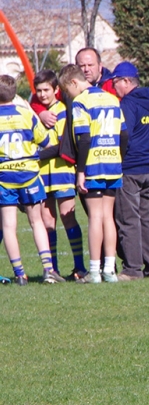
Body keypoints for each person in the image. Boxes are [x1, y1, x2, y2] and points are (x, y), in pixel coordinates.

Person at [58, 64, 127, 284]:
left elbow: (84, 139)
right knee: (109, 216)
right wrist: (119, 158)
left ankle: (94, 272)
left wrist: (80, 171)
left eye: (68, 92)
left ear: (73, 83)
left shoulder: (81, 102)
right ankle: (110, 270)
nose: (70, 96)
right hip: (113, 163)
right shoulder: (111, 98)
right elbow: (123, 136)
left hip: (94, 164)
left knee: (96, 216)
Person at [0, 75, 64, 285]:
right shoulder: (26, 113)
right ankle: (48, 270)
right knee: (36, 221)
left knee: (9, 226)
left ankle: (20, 274)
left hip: (4, 178)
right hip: (28, 175)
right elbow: (46, 141)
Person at [110, 62, 149, 281]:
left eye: (115, 83)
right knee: (146, 219)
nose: (114, 89)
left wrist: (118, 158)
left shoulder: (128, 104)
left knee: (129, 219)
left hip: (130, 168)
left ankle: (132, 270)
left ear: (126, 81)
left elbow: (125, 134)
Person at [34, 70, 88, 281]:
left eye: (46, 90)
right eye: (39, 90)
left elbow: (60, 146)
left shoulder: (63, 111)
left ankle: (80, 267)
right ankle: (52, 270)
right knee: (48, 221)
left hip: (62, 172)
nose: (43, 94)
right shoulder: (37, 113)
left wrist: (35, 156)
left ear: (56, 90)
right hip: (42, 175)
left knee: (68, 218)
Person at [31, 47, 115, 128]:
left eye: (90, 65)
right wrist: (42, 113)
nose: (86, 69)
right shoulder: (68, 87)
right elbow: (41, 97)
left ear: (100, 66)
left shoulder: (111, 86)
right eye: (82, 66)